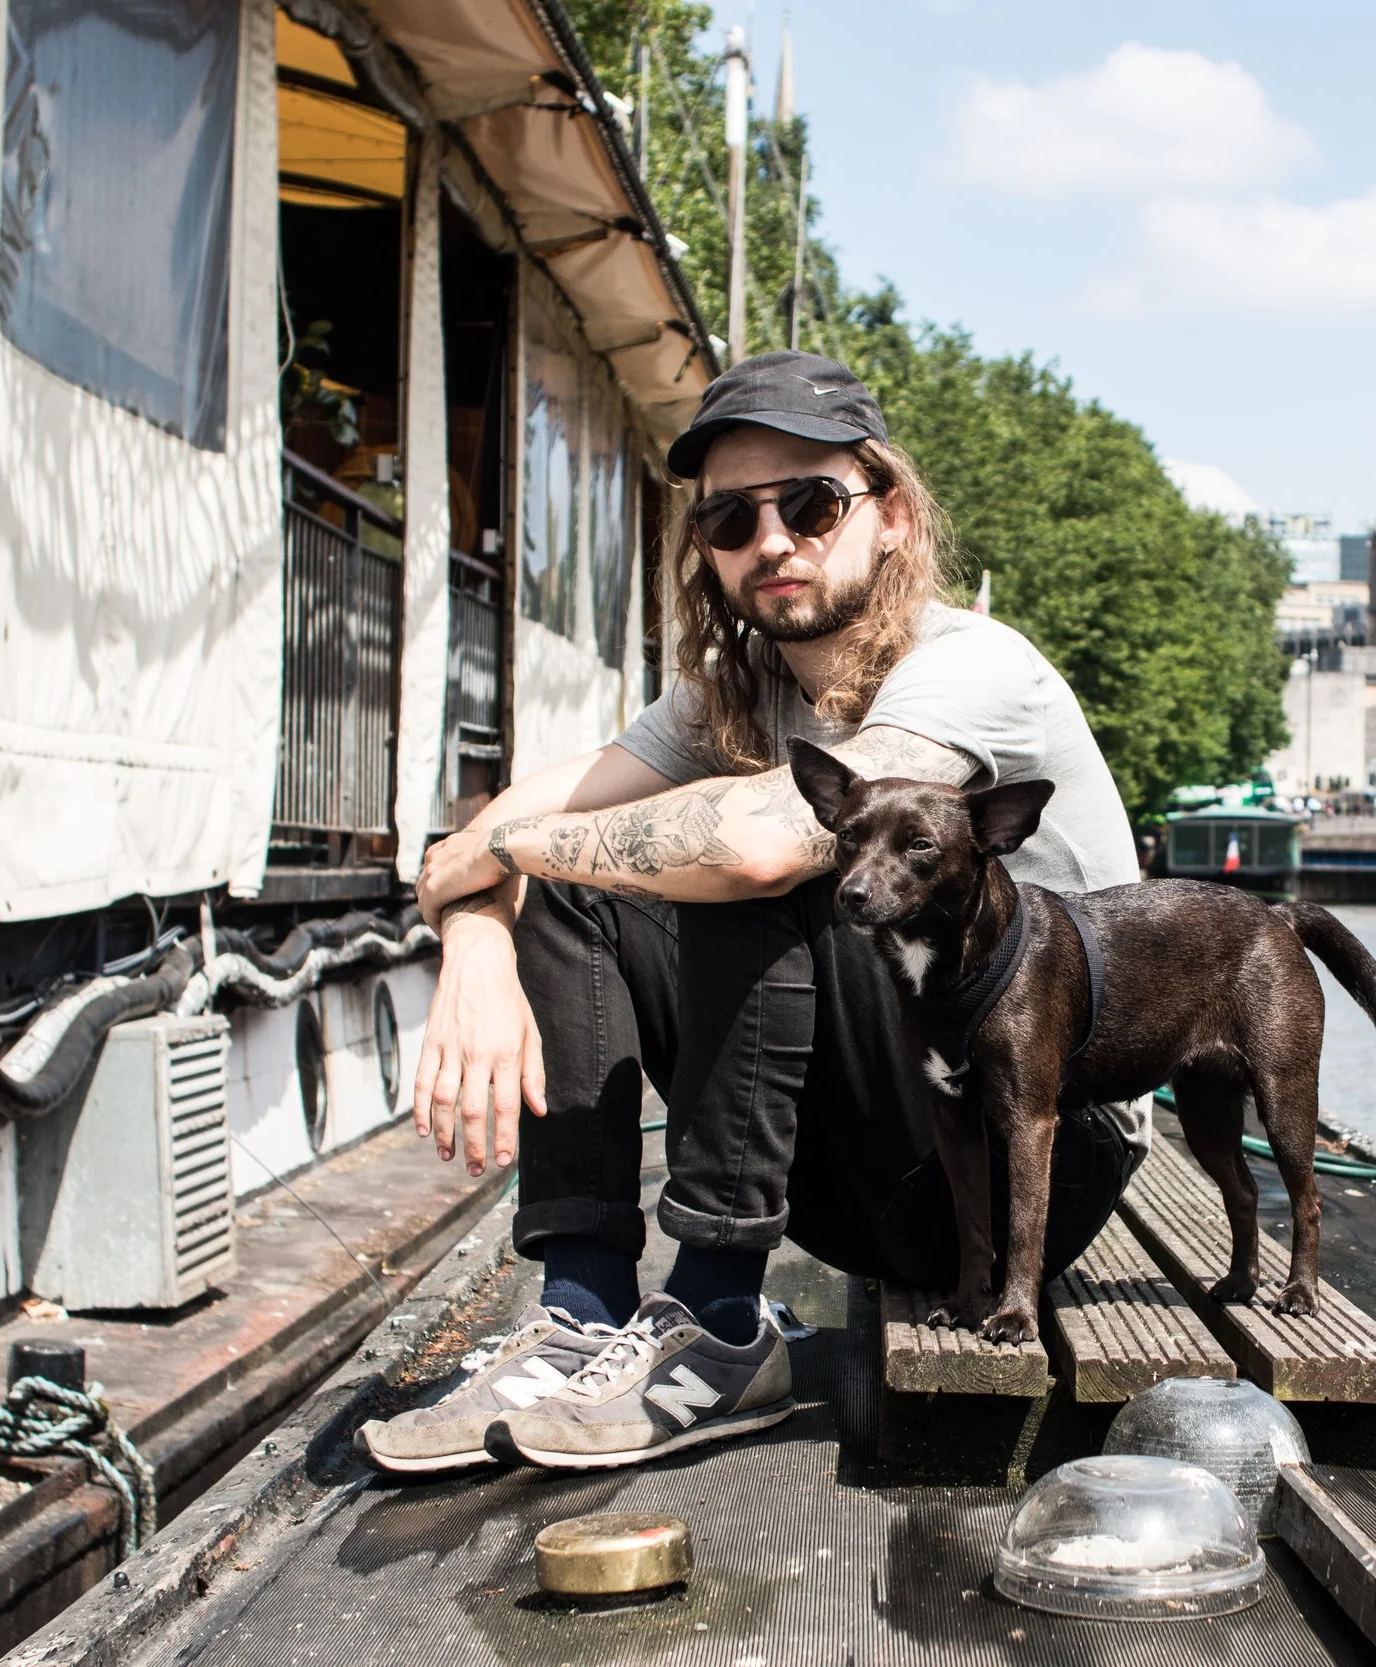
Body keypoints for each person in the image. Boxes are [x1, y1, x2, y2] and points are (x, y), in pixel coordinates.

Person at [356, 353, 1144, 1474]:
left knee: (769, 857)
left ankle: (721, 1320)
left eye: (810, 503)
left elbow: (756, 841)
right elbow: (508, 824)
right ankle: (580, 1310)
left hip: (1033, 1171)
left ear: (890, 513)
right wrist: (477, 931)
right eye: (730, 517)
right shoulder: (742, 691)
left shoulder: (975, 669)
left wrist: (498, 855)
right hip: (848, 1173)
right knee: (595, 874)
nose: (770, 540)